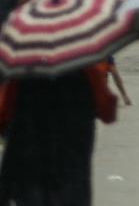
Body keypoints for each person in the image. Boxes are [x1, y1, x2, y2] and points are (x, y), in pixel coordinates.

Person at [0, 64, 117, 204]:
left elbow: (3, 115)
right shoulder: (88, 70)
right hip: (73, 170)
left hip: (31, 171)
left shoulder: (21, 74)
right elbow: (108, 112)